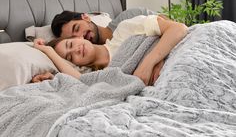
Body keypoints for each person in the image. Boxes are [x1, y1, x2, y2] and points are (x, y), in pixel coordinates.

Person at [33, 14, 188, 85]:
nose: (75, 51)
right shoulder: (98, 76)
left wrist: (150, 62)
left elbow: (179, 29)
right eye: (70, 58)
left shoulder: (124, 30)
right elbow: (78, 81)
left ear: (79, 38)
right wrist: (48, 50)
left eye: (70, 44)